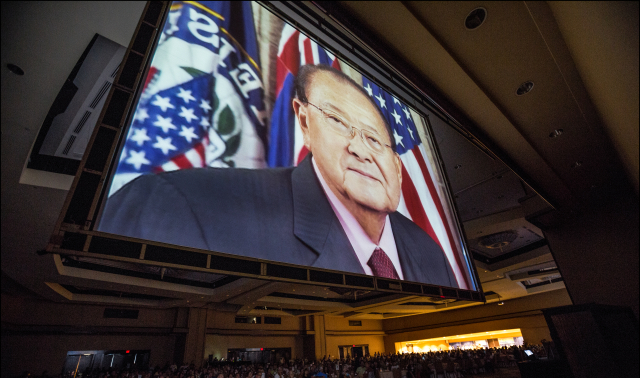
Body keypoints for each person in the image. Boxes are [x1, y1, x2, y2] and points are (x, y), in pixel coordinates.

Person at [100, 64, 457, 287]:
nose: (361, 150)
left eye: (375, 140)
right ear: (304, 122)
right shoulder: (179, 205)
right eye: (336, 121)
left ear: (397, 166)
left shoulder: (430, 252)